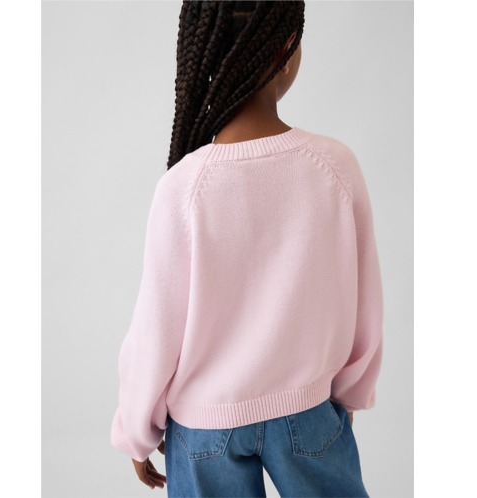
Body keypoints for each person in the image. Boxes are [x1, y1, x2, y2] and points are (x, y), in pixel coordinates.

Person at [111, 1, 383, 496]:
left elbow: (155, 328)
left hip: (204, 426)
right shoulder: (336, 168)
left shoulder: (184, 187)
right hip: (308, 410)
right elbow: (363, 302)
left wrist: (136, 428)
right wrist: (347, 397)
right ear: (287, 48)